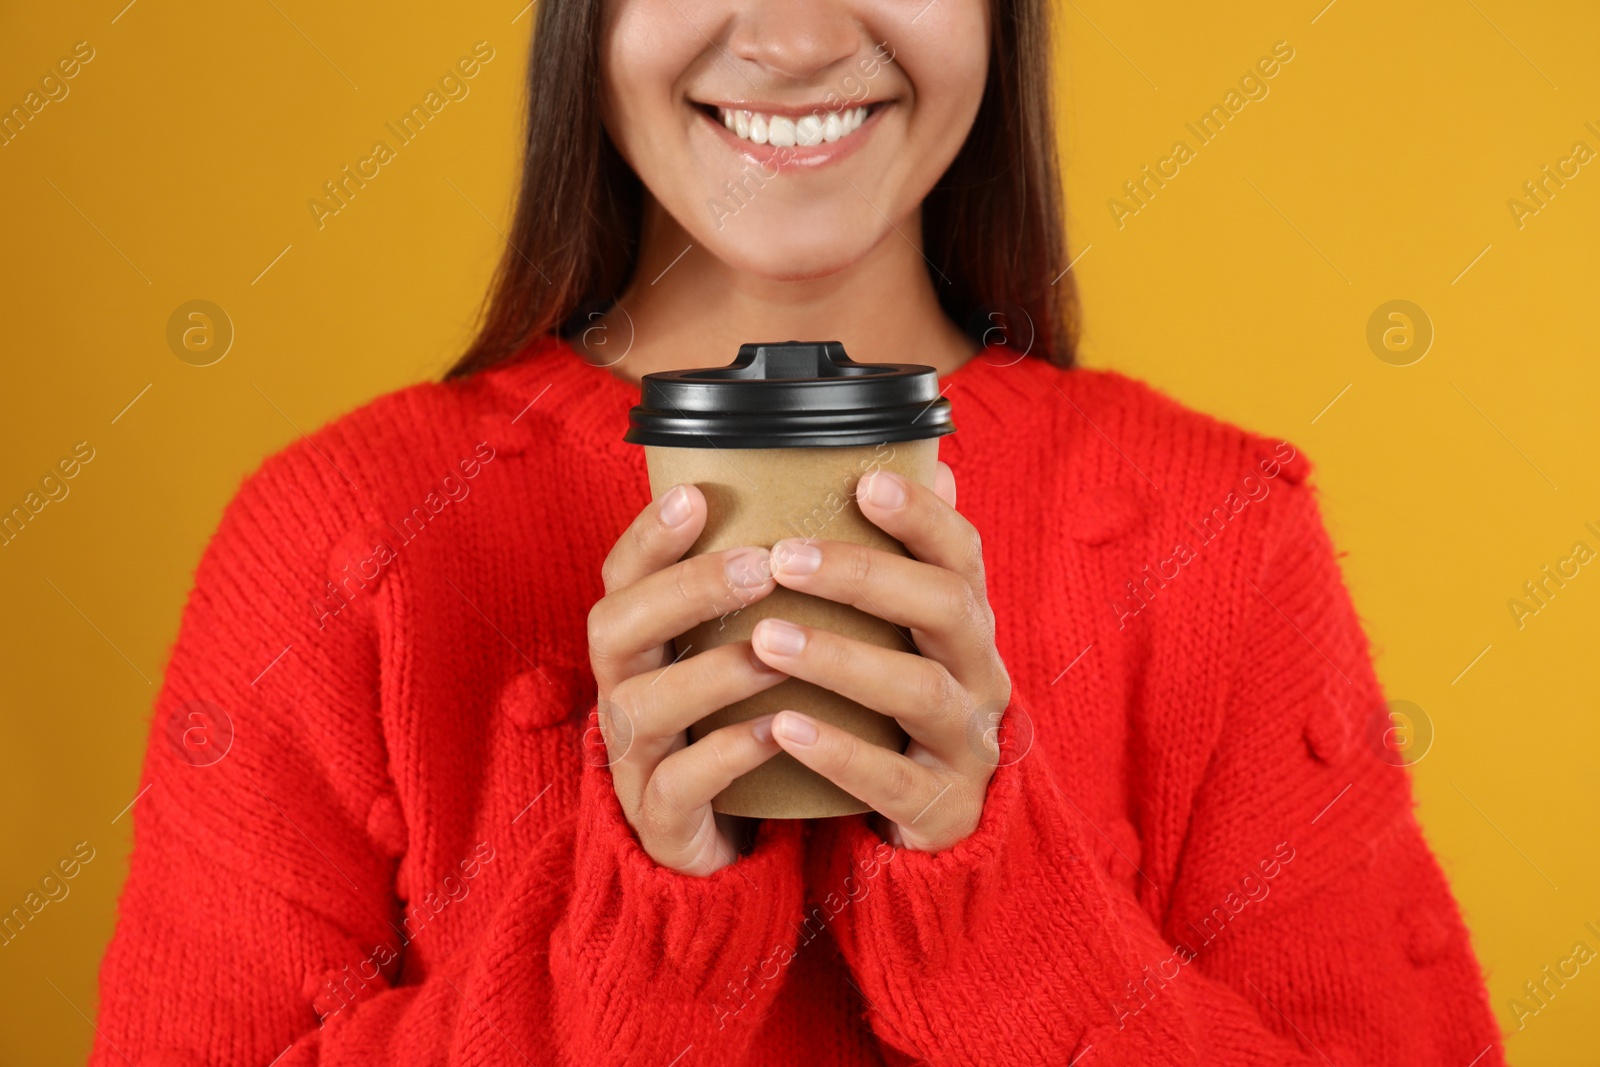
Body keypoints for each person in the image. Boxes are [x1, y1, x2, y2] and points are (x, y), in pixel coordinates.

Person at [91, 1, 1506, 1063]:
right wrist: (634, 940)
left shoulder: (1218, 536)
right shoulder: (349, 540)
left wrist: (993, 891)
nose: (795, 36)